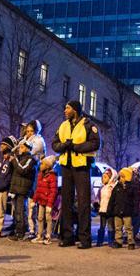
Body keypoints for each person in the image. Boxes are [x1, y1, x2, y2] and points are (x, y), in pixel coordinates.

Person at [51, 99, 100, 249]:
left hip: (81, 167)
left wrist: (77, 147)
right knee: (66, 202)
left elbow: (95, 143)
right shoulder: (63, 125)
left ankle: (85, 238)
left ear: (75, 110)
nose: (65, 111)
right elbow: (54, 144)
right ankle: (67, 237)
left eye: (67, 108)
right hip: (66, 166)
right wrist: (65, 145)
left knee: (84, 203)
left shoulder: (88, 125)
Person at [8, 141, 38, 240]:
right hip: (17, 188)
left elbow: (23, 170)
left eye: (21, 147)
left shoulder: (31, 159)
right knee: (17, 211)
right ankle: (17, 231)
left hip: (23, 189)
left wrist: (14, 160)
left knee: (21, 211)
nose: (19, 149)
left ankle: (21, 233)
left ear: (27, 148)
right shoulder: (20, 158)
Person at [108, 165, 140, 249]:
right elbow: (112, 199)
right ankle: (118, 241)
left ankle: (131, 242)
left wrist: (135, 210)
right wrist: (110, 208)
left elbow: (135, 200)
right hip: (117, 210)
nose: (121, 178)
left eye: (123, 177)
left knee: (128, 227)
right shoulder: (117, 187)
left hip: (127, 211)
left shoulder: (132, 187)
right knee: (118, 227)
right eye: (120, 176)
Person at [30, 156, 58, 244]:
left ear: (48, 166)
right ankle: (39, 235)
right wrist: (34, 200)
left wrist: (50, 204)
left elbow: (53, 191)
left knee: (48, 219)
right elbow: (38, 189)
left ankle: (48, 235)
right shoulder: (40, 175)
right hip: (41, 201)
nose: (40, 165)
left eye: (43, 164)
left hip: (48, 202)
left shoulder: (52, 177)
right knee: (40, 218)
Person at [96, 166, 118, 246]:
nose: (103, 179)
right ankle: (99, 241)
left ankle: (110, 241)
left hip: (110, 210)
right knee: (102, 227)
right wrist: (96, 203)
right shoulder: (102, 188)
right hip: (102, 210)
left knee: (110, 226)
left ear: (111, 178)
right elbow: (98, 197)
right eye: (103, 177)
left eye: (105, 177)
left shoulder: (112, 187)